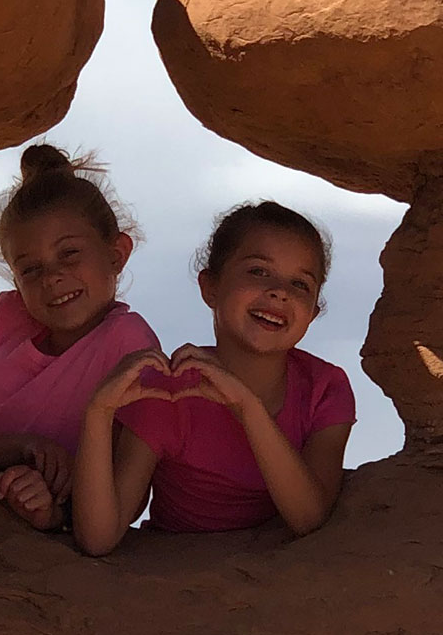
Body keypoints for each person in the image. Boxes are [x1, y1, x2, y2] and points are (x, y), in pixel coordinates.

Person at [72, 200, 354, 555]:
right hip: (177, 576)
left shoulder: (325, 388)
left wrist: (246, 407)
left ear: (312, 312)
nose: (279, 291)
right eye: (258, 271)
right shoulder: (169, 391)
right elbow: (98, 538)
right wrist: (98, 413)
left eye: (299, 283)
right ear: (210, 287)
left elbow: (308, 517)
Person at [0, 145, 159, 529]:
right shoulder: (6, 318)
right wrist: (25, 449)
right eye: (30, 269)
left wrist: (51, 509)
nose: (52, 277)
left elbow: (127, 500)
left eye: (69, 254)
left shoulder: (128, 343)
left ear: (117, 254)